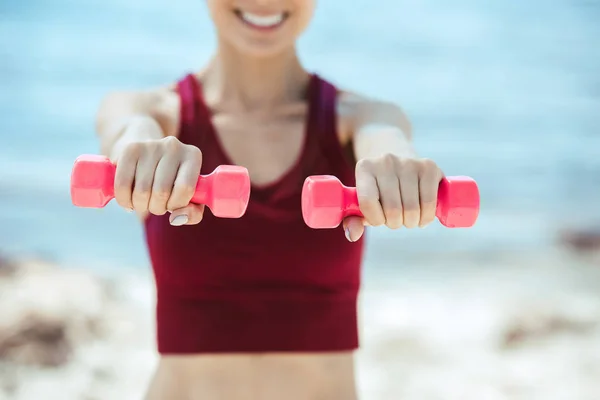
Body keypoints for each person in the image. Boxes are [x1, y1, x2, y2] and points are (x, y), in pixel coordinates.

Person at [95, 1, 445, 399]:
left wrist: (400, 169)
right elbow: (126, 132)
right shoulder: (146, 112)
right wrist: (139, 152)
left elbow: (388, 139)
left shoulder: (365, 117)